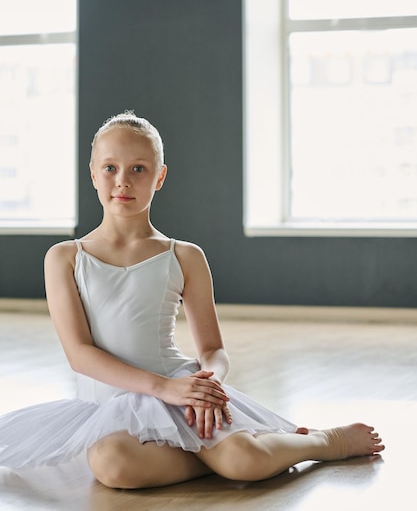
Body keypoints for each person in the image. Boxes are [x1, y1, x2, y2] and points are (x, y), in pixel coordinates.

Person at [0, 111, 384, 488]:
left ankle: (323, 441)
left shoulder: (184, 256)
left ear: (160, 176)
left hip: (183, 390)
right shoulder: (65, 257)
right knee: (113, 466)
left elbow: (214, 349)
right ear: (93, 173)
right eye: (110, 168)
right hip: (114, 406)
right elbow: (79, 354)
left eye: (138, 169)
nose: (123, 181)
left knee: (244, 462)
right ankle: (228, 457)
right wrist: (161, 388)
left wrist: (207, 387)